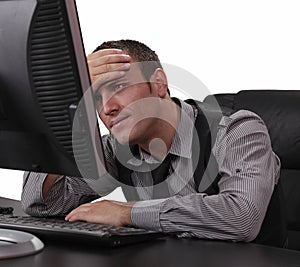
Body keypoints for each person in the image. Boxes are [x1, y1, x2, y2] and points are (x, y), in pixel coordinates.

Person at [21, 39, 281, 242]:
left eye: (118, 87)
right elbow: (42, 203)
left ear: (158, 83)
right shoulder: (116, 149)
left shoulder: (237, 130)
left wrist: (127, 213)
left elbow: (242, 218)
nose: (107, 108)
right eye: (95, 99)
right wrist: (65, 100)